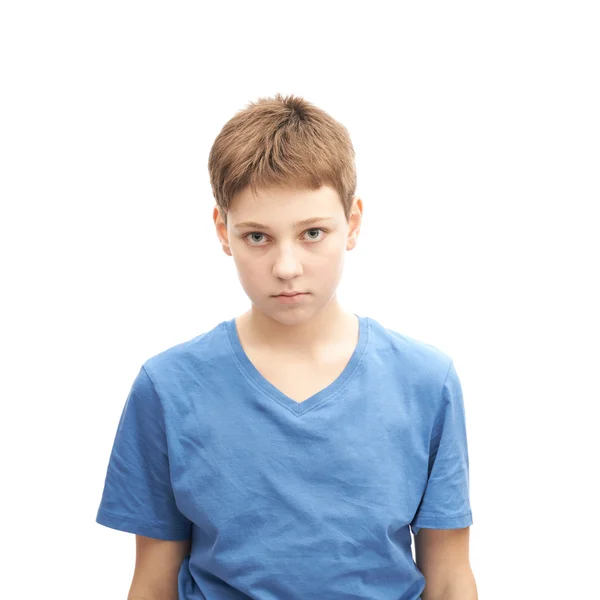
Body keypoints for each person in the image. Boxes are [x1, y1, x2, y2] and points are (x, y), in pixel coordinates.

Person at [96, 93, 477, 600]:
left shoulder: (426, 382)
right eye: (258, 237)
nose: (287, 267)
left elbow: (450, 578)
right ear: (222, 231)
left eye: (313, 232)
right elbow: (152, 583)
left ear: (354, 223)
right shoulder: (167, 388)